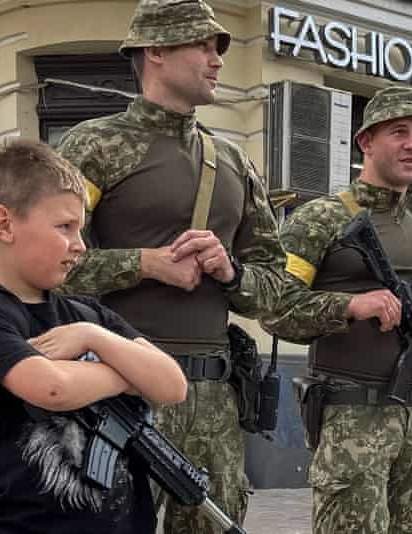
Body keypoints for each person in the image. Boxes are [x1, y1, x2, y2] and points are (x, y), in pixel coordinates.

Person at [56, 1, 285, 531]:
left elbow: (275, 287)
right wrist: (144, 264)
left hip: (214, 398)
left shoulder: (233, 162)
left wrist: (231, 273)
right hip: (117, 391)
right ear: (155, 50)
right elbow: (49, 265)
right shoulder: (94, 146)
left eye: (219, 49)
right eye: (203, 45)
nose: (217, 60)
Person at [0, 139, 188, 534]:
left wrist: (94, 338)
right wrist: (130, 375)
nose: (80, 246)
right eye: (64, 227)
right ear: (4, 224)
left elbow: (172, 385)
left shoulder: (90, 316)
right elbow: (51, 388)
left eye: (80, 229)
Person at [261, 85, 412, 534]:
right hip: (352, 421)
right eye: (399, 132)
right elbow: (274, 307)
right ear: (366, 142)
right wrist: (350, 305)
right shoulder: (319, 219)